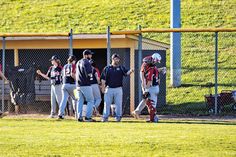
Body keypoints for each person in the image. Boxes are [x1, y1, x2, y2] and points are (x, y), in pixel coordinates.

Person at [132, 53, 166, 123]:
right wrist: (145, 90)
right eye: (156, 61)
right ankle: (153, 118)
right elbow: (145, 78)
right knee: (150, 103)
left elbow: (154, 72)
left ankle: (137, 112)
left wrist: (161, 69)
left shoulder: (152, 67)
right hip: (149, 85)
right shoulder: (148, 67)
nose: (156, 62)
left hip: (152, 85)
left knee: (147, 100)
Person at [100, 53, 134, 122]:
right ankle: (105, 117)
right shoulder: (107, 68)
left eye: (118, 59)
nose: (117, 60)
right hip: (109, 88)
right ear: (112, 59)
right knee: (107, 104)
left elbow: (126, 73)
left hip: (118, 89)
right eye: (115, 59)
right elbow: (103, 79)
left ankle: (118, 117)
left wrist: (131, 71)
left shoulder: (121, 67)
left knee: (118, 104)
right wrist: (103, 88)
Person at [76, 50, 95, 122]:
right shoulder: (86, 61)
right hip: (85, 84)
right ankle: (88, 117)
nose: (91, 56)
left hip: (78, 85)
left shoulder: (78, 62)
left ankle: (79, 117)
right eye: (90, 55)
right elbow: (89, 73)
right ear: (86, 55)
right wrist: (90, 67)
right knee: (90, 100)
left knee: (80, 101)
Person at [58, 55, 77, 119]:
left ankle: (60, 114)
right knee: (76, 99)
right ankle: (77, 114)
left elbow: (62, 76)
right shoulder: (73, 65)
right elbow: (72, 74)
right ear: (73, 60)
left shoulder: (65, 66)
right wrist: (77, 80)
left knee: (64, 99)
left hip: (64, 84)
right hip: (72, 85)